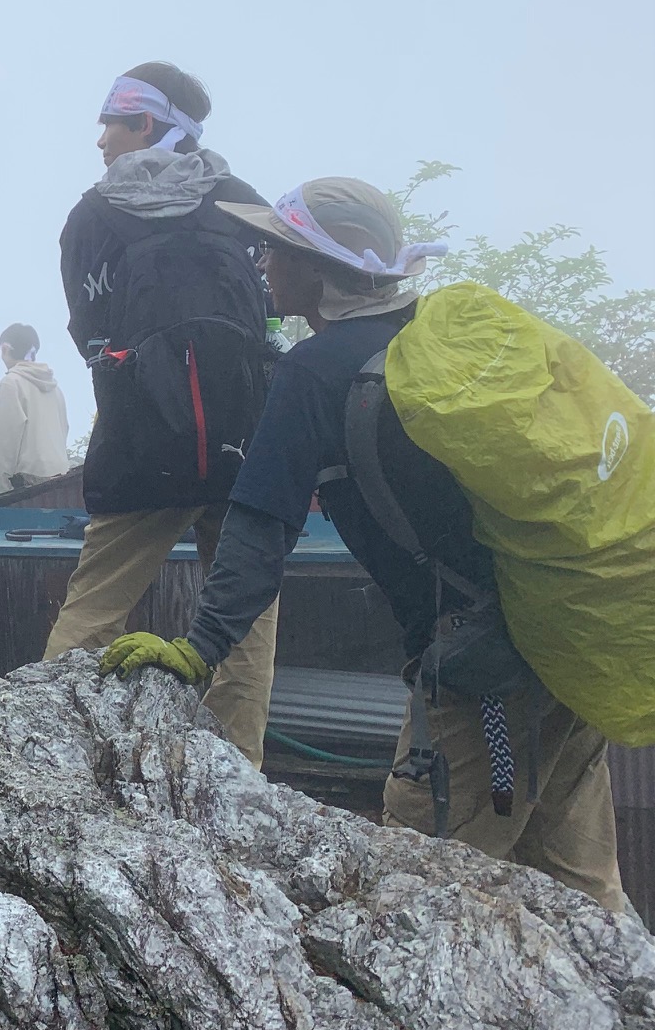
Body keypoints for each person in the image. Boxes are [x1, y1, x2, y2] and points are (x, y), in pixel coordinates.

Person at [100, 179, 627, 912]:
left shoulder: (313, 371)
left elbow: (258, 533)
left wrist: (199, 650)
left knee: (415, 896)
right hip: (561, 639)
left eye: (278, 248)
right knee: (583, 889)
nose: (262, 261)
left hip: (480, 678)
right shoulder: (429, 342)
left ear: (320, 269)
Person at [42, 62, 279, 767]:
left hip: (141, 442)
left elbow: (89, 333)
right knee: (246, 619)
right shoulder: (242, 203)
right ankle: (237, 772)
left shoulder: (93, 215)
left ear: (144, 122)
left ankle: (44, 753)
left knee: (92, 609)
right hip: (246, 443)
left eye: (110, 124)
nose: (100, 141)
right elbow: (273, 316)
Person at [0, 323, 71, 492]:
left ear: (5, 349)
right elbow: (65, 428)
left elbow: (7, 439)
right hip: (62, 477)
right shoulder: (55, 388)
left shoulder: (11, 382)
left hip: (28, 480)